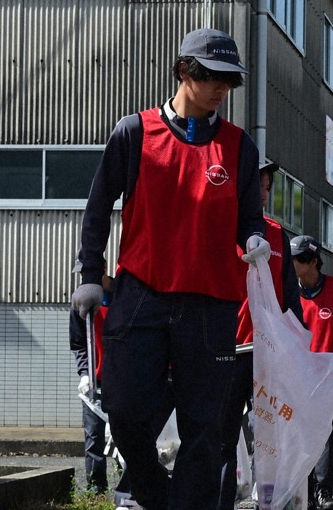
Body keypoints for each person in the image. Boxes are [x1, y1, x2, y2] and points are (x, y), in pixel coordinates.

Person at [71, 27, 266, 510]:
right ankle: (154, 493)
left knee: (207, 427)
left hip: (211, 304)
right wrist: (89, 277)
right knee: (124, 409)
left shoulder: (239, 147)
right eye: (214, 78)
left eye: (230, 81)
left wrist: (254, 238)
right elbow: (98, 208)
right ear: (184, 72)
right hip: (142, 296)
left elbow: (248, 218)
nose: (223, 89)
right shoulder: (135, 133)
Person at [218, 159, 301, 510]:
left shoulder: (277, 233)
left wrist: (297, 343)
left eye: (268, 188)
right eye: (259, 187)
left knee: (275, 436)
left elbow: (290, 295)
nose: (264, 194)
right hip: (229, 349)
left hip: (271, 352)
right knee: (221, 439)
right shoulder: (220, 229)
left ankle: (273, 503)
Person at [290, 235, 333, 510]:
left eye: (295, 259)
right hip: (297, 378)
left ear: (312, 261)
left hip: (329, 379)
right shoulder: (288, 291)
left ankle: (323, 490)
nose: (290, 264)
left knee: (327, 436)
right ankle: (301, 490)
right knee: (296, 435)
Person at [70, 278, 111, 495]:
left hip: (122, 380)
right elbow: (77, 342)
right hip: (94, 381)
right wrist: (84, 373)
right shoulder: (80, 300)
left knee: (126, 437)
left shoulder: (122, 294)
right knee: (93, 436)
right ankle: (96, 490)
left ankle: (130, 487)